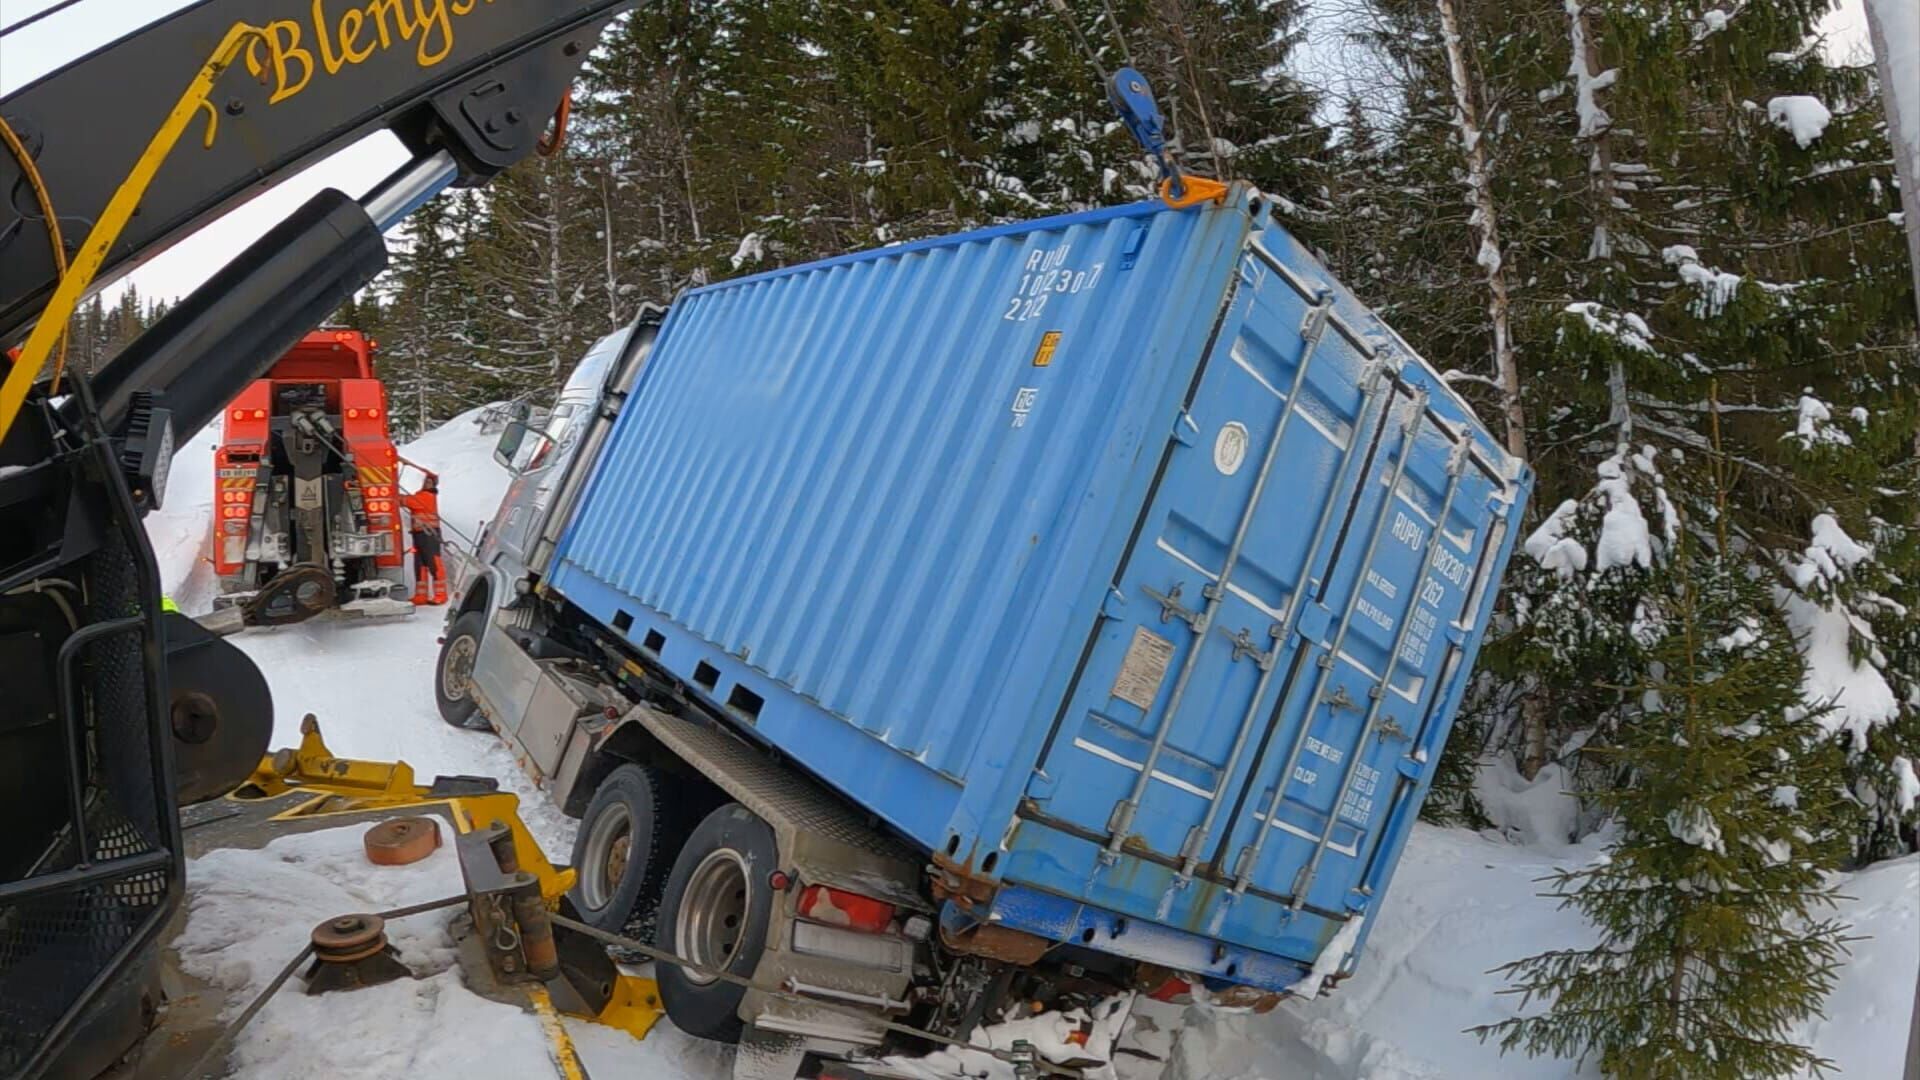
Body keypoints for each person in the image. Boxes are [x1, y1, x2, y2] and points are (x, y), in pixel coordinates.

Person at [401, 473, 447, 606]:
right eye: (425, 481)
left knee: (434, 563)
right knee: (420, 564)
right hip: (419, 534)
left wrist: (395, 495)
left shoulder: (427, 496)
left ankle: (441, 595)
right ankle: (421, 595)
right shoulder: (421, 495)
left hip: (429, 534)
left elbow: (408, 501)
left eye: (429, 482)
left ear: (433, 485)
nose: (426, 483)